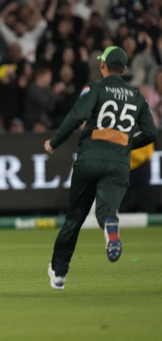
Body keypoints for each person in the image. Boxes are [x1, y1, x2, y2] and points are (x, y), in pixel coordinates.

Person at [44, 46, 157, 290]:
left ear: (103, 66)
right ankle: (111, 227)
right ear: (125, 69)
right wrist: (127, 144)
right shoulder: (138, 97)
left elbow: (76, 117)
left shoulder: (95, 89)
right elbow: (151, 132)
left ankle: (60, 274)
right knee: (106, 212)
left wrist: (54, 142)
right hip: (118, 164)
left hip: (90, 159)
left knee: (74, 218)